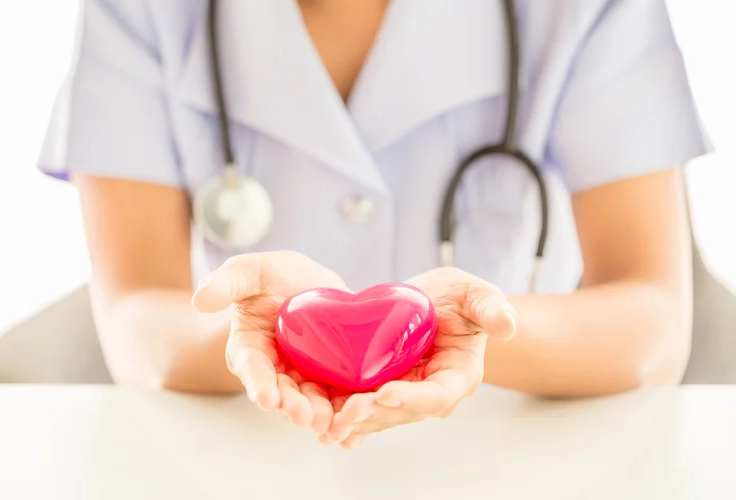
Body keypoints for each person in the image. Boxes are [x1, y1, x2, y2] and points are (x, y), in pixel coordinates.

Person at [38, 0, 710, 449]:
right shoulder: (137, 11)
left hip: (526, 444)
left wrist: (461, 331)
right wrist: (268, 333)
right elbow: (133, 315)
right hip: (240, 453)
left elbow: (651, 319)